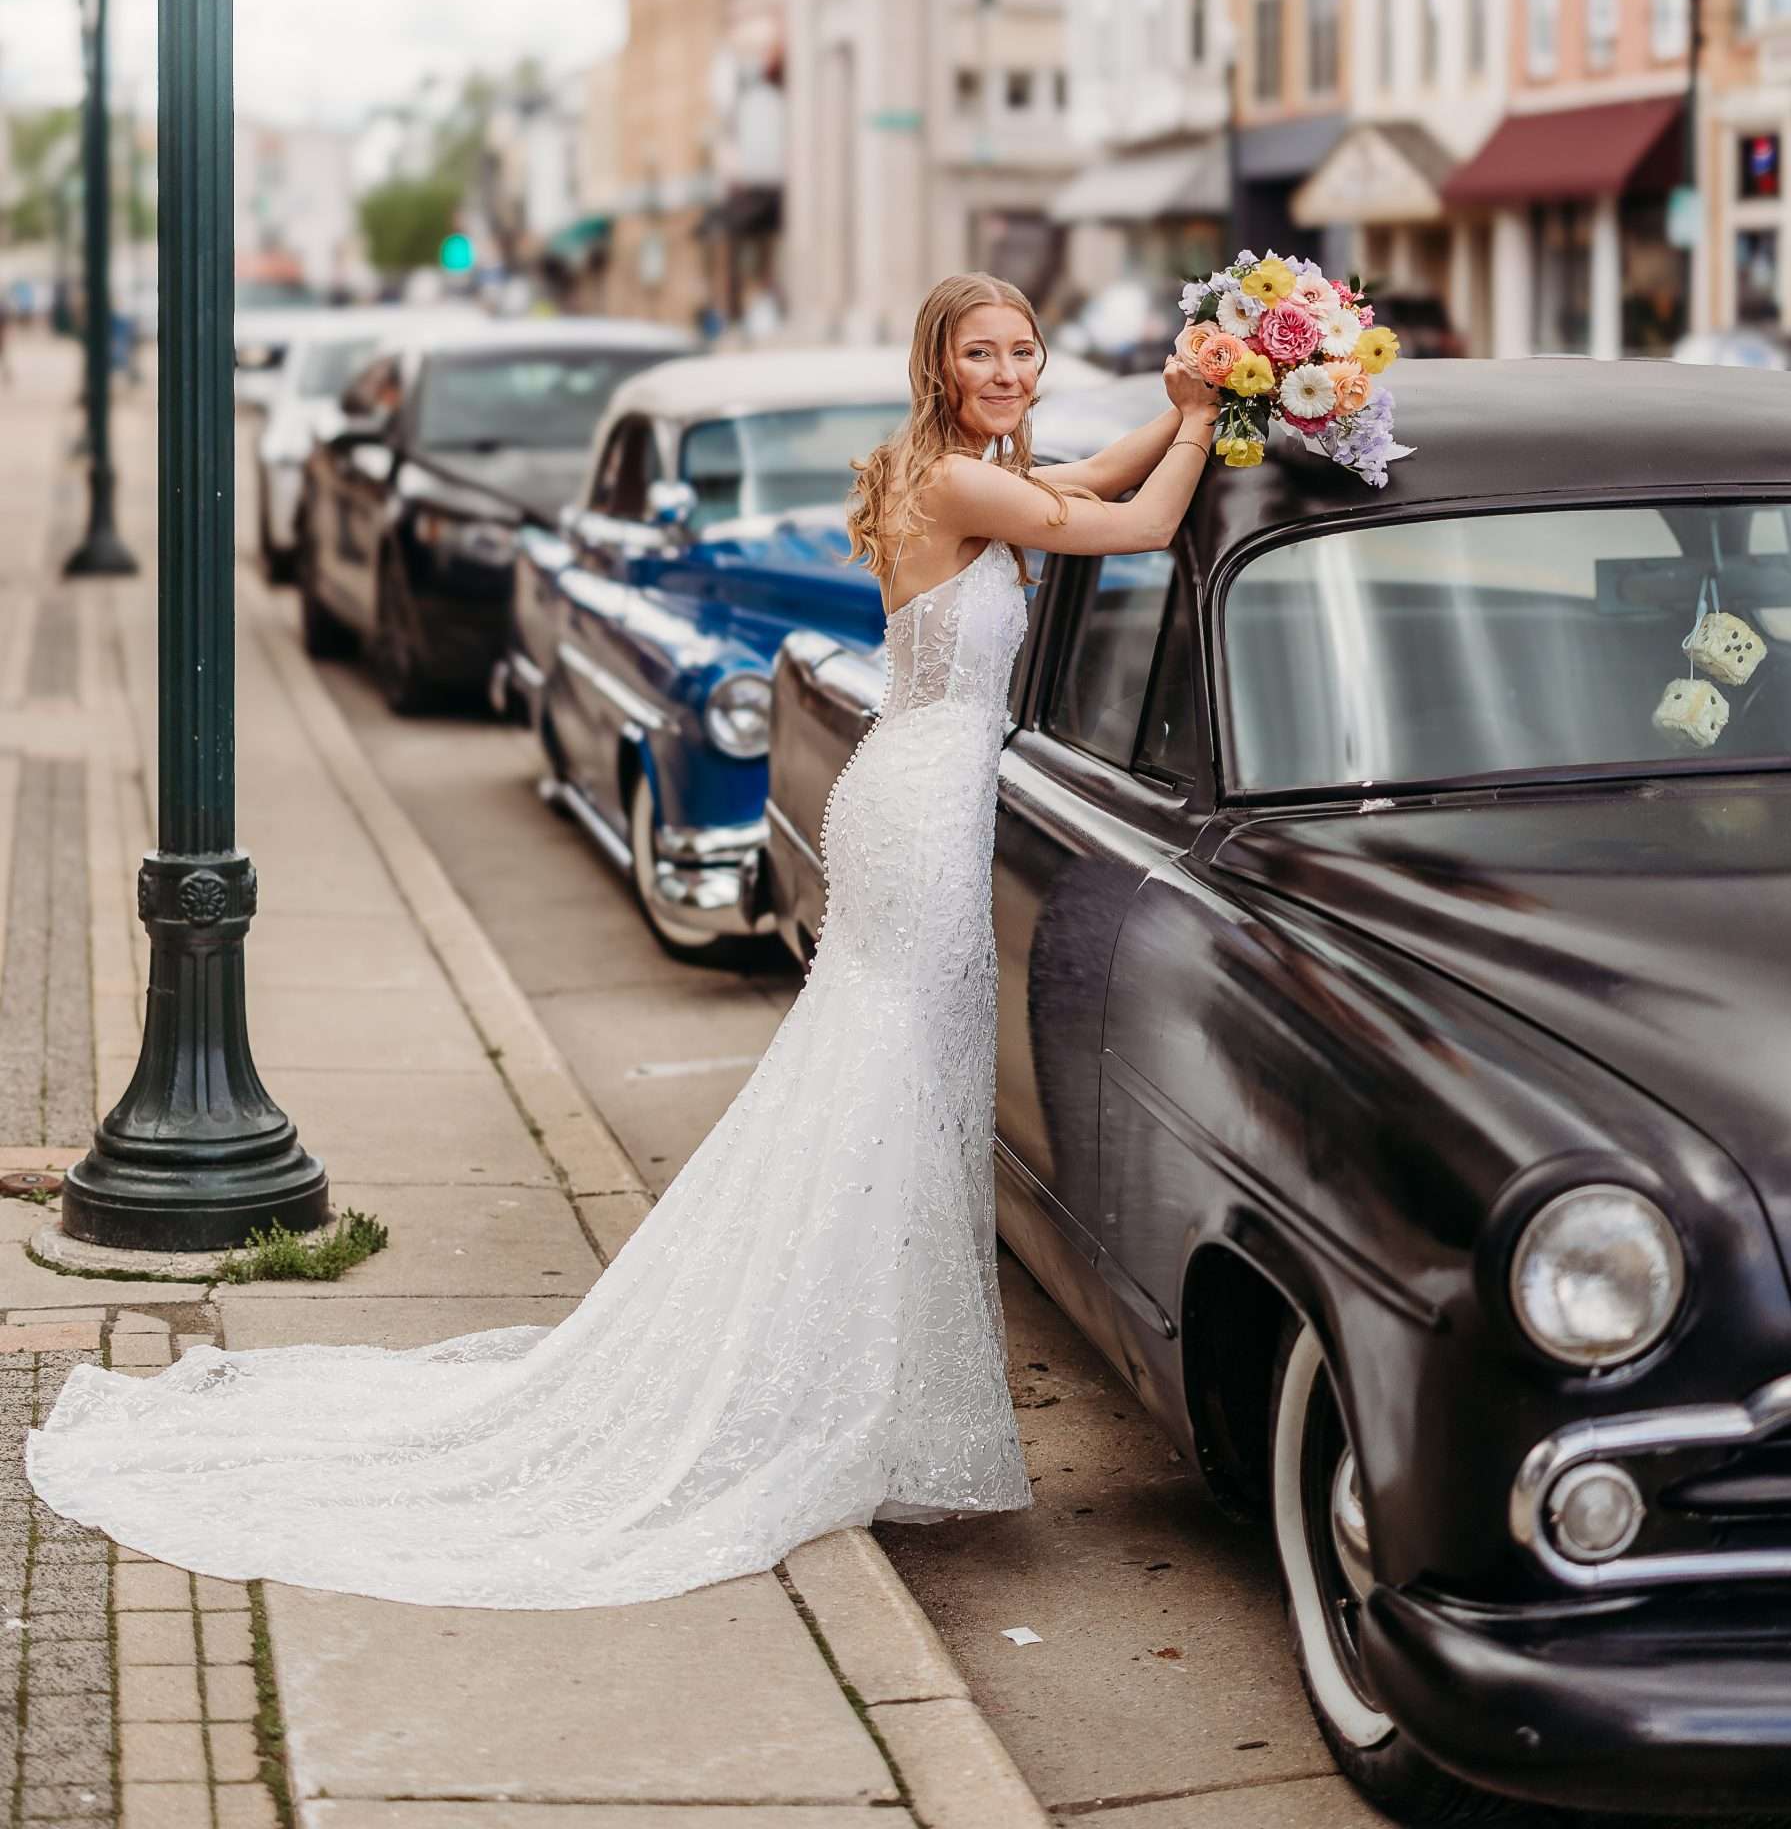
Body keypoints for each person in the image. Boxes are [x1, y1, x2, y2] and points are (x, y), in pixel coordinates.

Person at [26, 273, 1220, 1610]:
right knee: (889, 1091)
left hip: (915, 799)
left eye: (1022, 350)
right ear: (937, 366)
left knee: (890, 1087)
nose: (1007, 371)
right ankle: (825, 1396)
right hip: (924, 811)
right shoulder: (956, 486)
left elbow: (1085, 480)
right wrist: (1202, 408)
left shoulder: (945, 470)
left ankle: (862, 1389)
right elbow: (1132, 517)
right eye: (981, 353)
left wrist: (1182, 408)